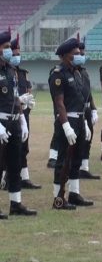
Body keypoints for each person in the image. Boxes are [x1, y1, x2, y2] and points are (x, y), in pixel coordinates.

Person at [49, 37, 94, 209]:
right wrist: (66, 125)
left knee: (76, 159)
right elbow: (59, 102)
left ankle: (74, 193)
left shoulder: (77, 73)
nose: (79, 55)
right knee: (63, 160)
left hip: (80, 120)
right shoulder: (58, 74)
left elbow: (82, 100)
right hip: (67, 120)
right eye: (75, 53)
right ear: (66, 55)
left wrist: (85, 123)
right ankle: (58, 197)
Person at [0, 30, 36, 218]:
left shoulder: (10, 71)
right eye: (6, 48)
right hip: (1, 123)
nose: (9, 51)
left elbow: (14, 98)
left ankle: (16, 203)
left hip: (14, 121)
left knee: (15, 165)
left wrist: (22, 119)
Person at [9, 36, 41, 188]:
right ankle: (7, 178)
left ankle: (24, 178)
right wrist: (19, 101)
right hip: (11, 115)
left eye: (18, 54)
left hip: (24, 115)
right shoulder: (7, 73)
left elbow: (28, 89)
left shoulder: (23, 73)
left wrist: (29, 101)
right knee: (10, 150)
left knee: (24, 147)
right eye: (14, 54)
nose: (17, 57)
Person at [77, 40, 101, 180]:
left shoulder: (84, 72)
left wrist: (93, 109)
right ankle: (75, 167)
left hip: (86, 109)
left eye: (83, 53)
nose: (82, 56)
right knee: (78, 140)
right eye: (79, 53)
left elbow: (88, 92)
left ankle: (84, 168)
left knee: (88, 138)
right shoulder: (73, 73)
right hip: (77, 111)